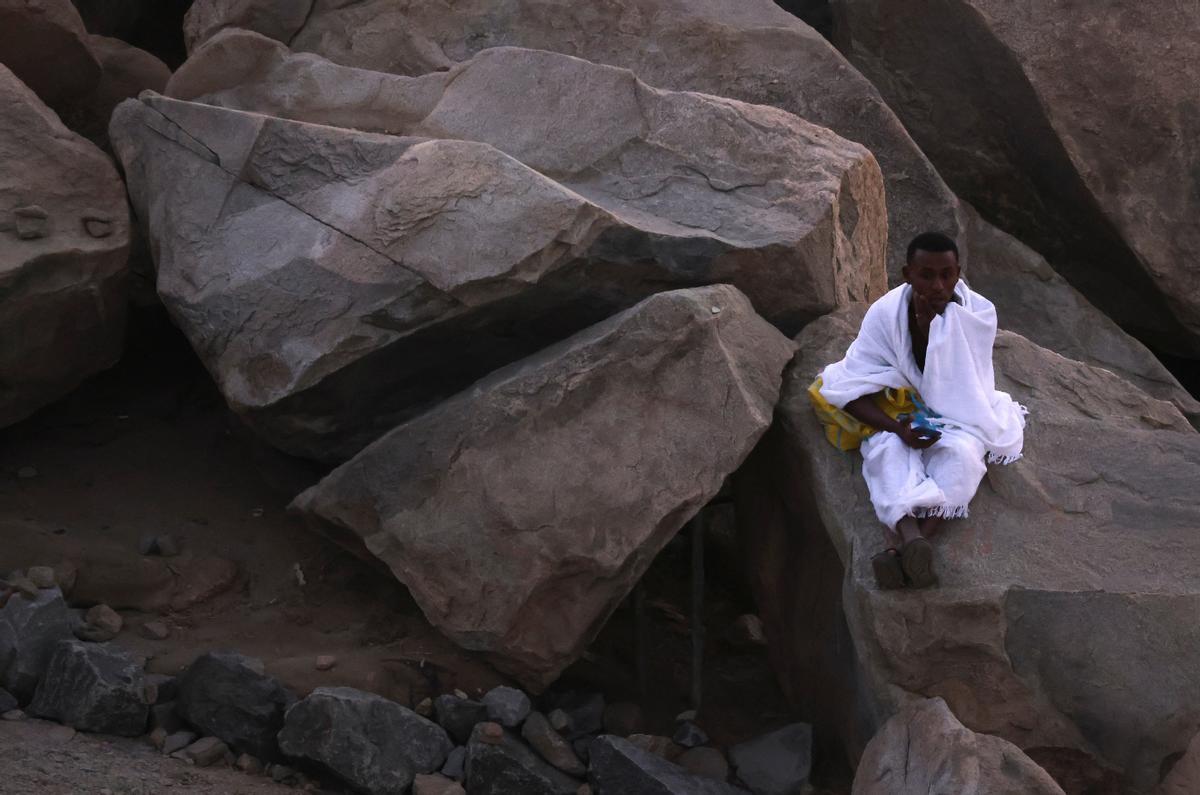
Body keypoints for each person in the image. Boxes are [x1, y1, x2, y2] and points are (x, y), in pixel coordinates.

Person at [813, 232, 1026, 589]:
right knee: (884, 452)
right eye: (926, 275)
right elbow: (847, 388)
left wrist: (931, 333)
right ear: (906, 274)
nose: (938, 285)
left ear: (959, 272)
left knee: (964, 457)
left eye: (947, 274)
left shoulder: (979, 314)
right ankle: (914, 540)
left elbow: (967, 391)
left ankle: (905, 547)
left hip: (960, 415)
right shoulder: (884, 315)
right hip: (898, 411)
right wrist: (898, 428)